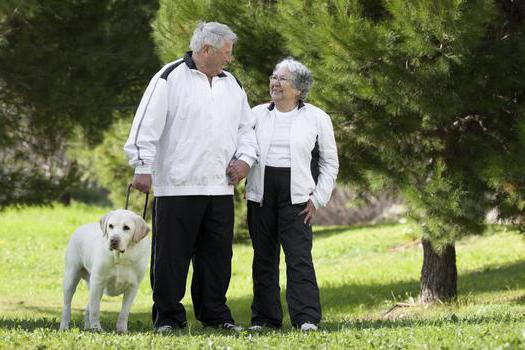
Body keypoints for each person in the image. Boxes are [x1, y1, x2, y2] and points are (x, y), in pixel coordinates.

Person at [124, 21, 257, 333]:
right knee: (171, 258)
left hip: (220, 188)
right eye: (226, 52)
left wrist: (246, 160)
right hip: (177, 186)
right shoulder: (169, 78)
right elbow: (145, 126)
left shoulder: (232, 84)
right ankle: (168, 318)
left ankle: (215, 315)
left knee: (217, 258)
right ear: (206, 49)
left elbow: (246, 129)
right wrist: (142, 166)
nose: (230, 59)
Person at [242, 58, 338, 331]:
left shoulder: (318, 118)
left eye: (282, 79)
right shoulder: (256, 114)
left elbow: (330, 163)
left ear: (298, 88)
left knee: (298, 258)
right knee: (263, 258)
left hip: (297, 196)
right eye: (274, 77)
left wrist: (318, 198)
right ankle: (265, 318)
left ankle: (306, 318)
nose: (275, 82)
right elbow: (244, 149)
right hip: (261, 193)